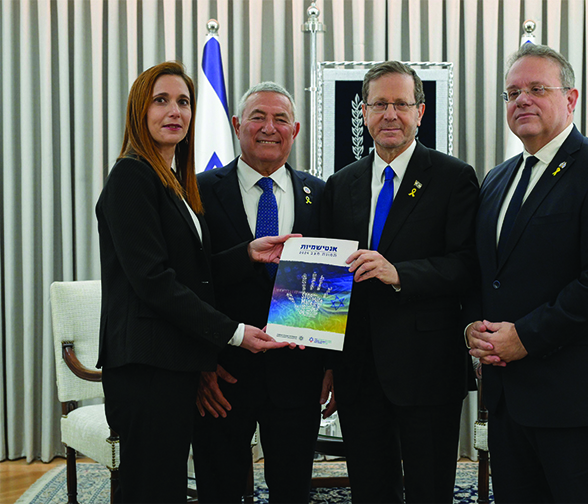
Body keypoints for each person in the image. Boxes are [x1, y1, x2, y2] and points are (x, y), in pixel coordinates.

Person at [96, 61, 294, 503]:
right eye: (161, 100)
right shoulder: (132, 175)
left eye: (184, 102)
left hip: (171, 365)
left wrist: (246, 253)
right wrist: (236, 333)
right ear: (138, 110)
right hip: (146, 368)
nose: (175, 112)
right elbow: (153, 280)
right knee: (150, 489)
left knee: (163, 485)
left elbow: (192, 274)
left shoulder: (172, 182)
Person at [466, 44, 588, 503]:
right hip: (511, 395)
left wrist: (525, 336)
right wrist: (472, 325)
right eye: (512, 93)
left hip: (581, 397)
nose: (521, 100)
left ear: (571, 99)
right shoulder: (497, 178)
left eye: (536, 89)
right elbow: (486, 272)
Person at [320, 61, 479, 503]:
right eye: (379, 104)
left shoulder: (453, 177)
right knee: (370, 488)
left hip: (427, 366)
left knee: (430, 489)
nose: (390, 114)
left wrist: (399, 273)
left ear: (420, 112)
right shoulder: (341, 184)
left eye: (401, 104)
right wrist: (327, 362)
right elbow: (330, 280)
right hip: (358, 369)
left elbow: (468, 266)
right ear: (364, 113)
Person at [192, 82, 331, 504]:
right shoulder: (197, 191)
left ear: (296, 129)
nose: (269, 127)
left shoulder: (322, 195)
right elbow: (188, 282)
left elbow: (329, 286)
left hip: (298, 375)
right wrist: (200, 365)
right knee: (221, 490)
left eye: (280, 119)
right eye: (257, 117)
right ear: (236, 126)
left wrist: (329, 365)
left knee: (292, 491)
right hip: (223, 376)